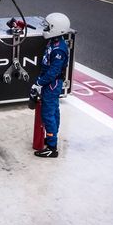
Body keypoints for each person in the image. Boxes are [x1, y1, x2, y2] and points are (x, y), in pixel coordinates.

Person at [29, 12, 70, 158]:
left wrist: (39, 83)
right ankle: (52, 138)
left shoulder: (59, 49)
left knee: (48, 114)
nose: (46, 28)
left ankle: (52, 147)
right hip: (50, 83)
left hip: (52, 85)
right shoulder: (54, 41)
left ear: (56, 28)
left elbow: (53, 72)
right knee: (54, 112)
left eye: (48, 26)